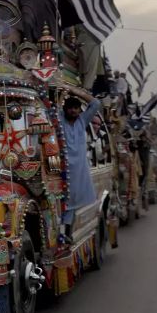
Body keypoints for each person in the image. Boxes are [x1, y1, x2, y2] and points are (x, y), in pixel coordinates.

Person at [58, 95, 103, 243]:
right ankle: (61, 233)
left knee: (73, 202)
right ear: (65, 109)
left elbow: (96, 103)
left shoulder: (82, 121)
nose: (73, 111)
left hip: (79, 171)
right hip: (62, 169)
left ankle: (67, 234)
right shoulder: (60, 120)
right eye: (70, 108)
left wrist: (73, 91)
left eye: (76, 108)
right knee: (63, 202)